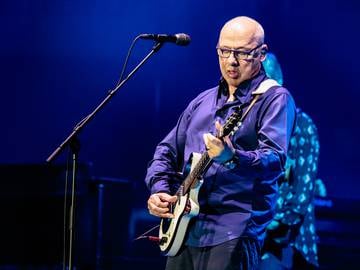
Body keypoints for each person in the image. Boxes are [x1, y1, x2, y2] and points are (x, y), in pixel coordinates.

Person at [145, 16, 296, 270]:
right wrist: (159, 189)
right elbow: (166, 151)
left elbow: (274, 159)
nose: (231, 61)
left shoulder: (274, 98)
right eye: (224, 51)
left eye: (243, 53)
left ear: (261, 53)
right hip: (185, 229)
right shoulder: (202, 102)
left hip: (233, 231)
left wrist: (232, 157)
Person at [258, 52, 322, 269]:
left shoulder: (301, 125)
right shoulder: (249, 124)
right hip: (251, 238)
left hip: (286, 245)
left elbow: (301, 195)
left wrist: (267, 224)